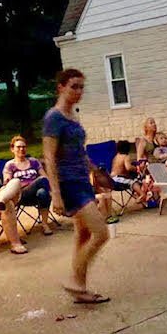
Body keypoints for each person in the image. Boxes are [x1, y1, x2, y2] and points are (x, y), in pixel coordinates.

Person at [43, 68, 110, 304]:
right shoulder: (54, 117)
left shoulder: (73, 116)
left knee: (82, 235)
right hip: (68, 183)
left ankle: (80, 289)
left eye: (81, 86)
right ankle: (73, 279)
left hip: (82, 180)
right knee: (101, 233)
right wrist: (56, 194)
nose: (79, 91)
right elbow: (49, 157)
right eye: (74, 86)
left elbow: (79, 152)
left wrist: (95, 172)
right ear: (61, 87)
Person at [2, 135, 53, 236]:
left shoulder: (34, 162)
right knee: (42, 180)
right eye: (18, 147)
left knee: (42, 192)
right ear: (12, 149)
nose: (22, 149)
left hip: (37, 195)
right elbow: (7, 183)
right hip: (21, 195)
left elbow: (45, 177)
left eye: (24, 146)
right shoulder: (10, 165)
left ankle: (45, 224)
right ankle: (58, 200)